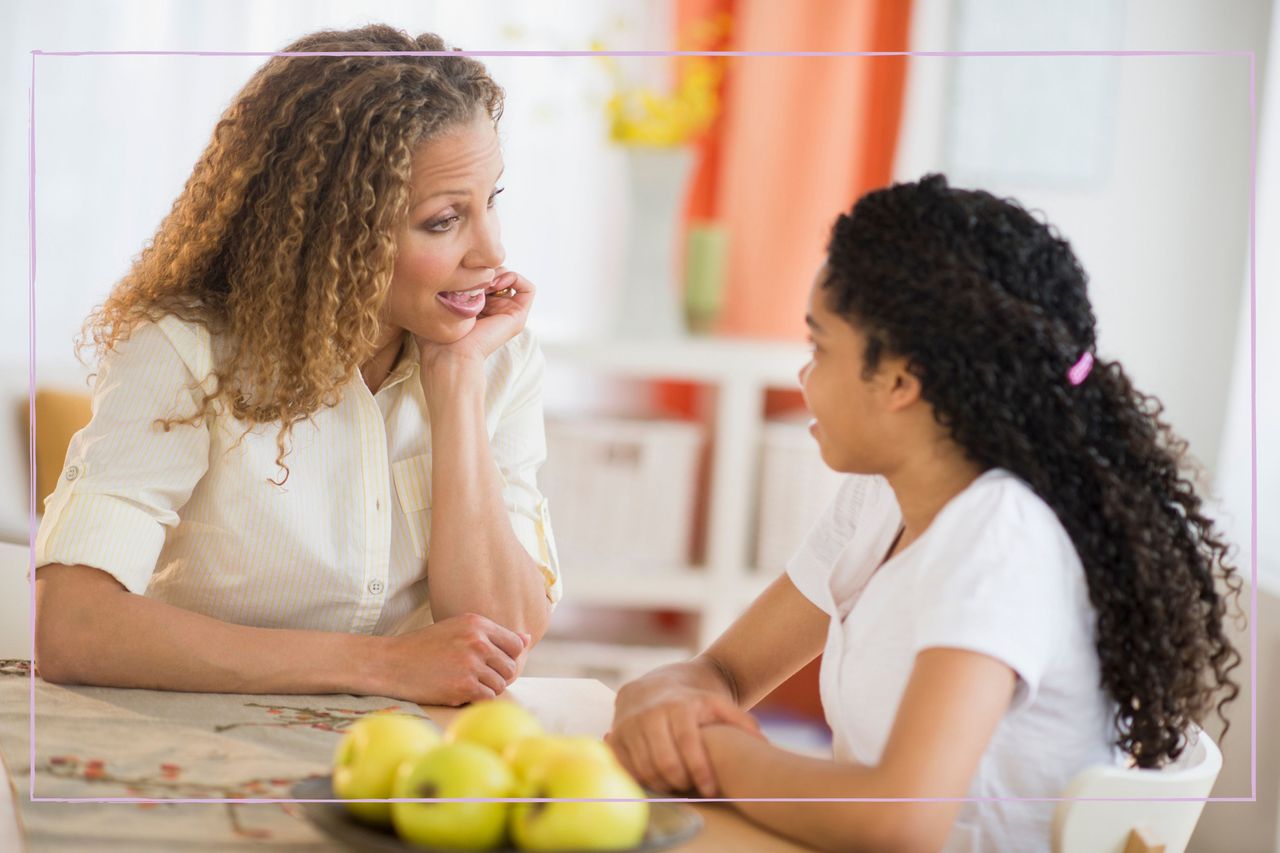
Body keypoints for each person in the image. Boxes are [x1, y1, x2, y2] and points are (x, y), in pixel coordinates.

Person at [608, 174, 1242, 851]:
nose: (803, 375)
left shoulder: (1002, 530)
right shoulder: (884, 496)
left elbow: (900, 817)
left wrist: (702, 752)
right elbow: (727, 672)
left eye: (820, 347)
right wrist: (660, 696)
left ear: (901, 382)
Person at [33, 25, 562, 707]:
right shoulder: (187, 348)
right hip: (195, 744)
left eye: (491, 201)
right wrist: (377, 665)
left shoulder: (497, 357)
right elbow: (74, 625)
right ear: (335, 229)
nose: (492, 252)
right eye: (442, 220)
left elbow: (504, 633)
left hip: (405, 763)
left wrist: (456, 378)